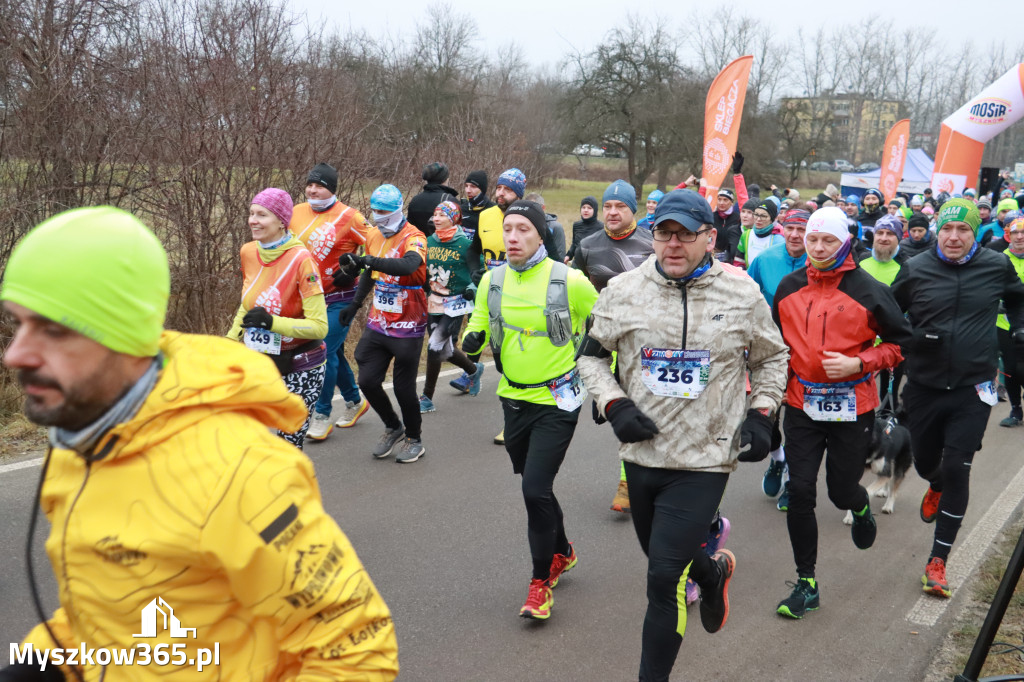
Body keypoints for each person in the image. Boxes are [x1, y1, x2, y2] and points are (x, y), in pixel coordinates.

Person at [0, 207, 398, 681]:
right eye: (17, 323)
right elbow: (112, 604)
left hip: (299, 363)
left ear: (123, 335)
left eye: (52, 330)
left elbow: (357, 651)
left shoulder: (239, 471)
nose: (15, 354)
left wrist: (271, 323)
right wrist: (43, 664)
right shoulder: (78, 441)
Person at [576, 189, 789, 681]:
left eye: (685, 234)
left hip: (705, 457)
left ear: (710, 237)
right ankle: (713, 571)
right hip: (643, 450)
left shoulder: (741, 294)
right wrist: (614, 402)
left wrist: (761, 413)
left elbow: (772, 357)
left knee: (662, 577)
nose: (672, 244)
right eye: (664, 232)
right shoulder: (623, 290)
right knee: (665, 556)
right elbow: (590, 355)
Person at [461, 200, 599, 620]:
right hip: (512, 396)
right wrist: (473, 335)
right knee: (534, 485)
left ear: (541, 235)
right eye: (508, 229)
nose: (513, 237)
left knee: (534, 489)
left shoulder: (569, 281)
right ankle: (563, 551)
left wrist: (605, 386)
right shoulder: (494, 278)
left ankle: (540, 584)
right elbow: (482, 315)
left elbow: (606, 325)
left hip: (557, 400)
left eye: (523, 229)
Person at [772, 206, 912, 619]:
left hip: (853, 407)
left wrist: (860, 364)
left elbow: (901, 344)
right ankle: (806, 582)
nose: (817, 247)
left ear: (845, 242)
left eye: (827, 240)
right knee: (799, 491)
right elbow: (774, 344)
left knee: (839, 492)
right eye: (812, 239)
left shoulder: (868, 290)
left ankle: (861, 506)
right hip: (801, 405)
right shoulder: (788, 287)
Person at [892, 199, 1024, 598]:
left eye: (962, 230)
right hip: (925, 386)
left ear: (974, 233)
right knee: (928, 460)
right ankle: (934, 483)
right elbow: (889, 314)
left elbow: (1018, 297)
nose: (953, 237)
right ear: (938, 231)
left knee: (958, 467)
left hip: (975, 387)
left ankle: (938, 562)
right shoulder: (915, 269)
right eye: (947, 230)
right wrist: (911, 339)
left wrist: (1019, 327)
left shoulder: (995, 265)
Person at [574, 179, 655, 515]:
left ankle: (631, 482)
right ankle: (634, 478)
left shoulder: (652, 244)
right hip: (605, 342)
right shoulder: (588, 245)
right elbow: (575, 292)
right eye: (608, 206)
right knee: (622, 411)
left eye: (620, 206)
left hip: (647, 341)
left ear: (632, 209)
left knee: (644, 408)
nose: (612, 212)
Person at [226, 188, 328, 449]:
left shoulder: (302, 260)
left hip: (300, 365)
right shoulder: (248, 252)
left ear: (282, 221)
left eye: (262, 215)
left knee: (287, 447)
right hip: (262, 359)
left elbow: (320, 326)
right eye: (251, 213)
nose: (253, 220)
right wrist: (228, 341)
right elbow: (248, 306)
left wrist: (271, 323)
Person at [338, 184, 429, 463]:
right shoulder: (374, 235)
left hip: (409, 322)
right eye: (375, 211)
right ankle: (393, 426)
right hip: (379, 320)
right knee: (366, 378)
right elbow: (370, 272)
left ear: (398, 210)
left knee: (403, 388)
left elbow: (408, 265)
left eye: (385, 212)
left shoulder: (414, 236)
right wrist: (354, 304)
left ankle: (414, 438)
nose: (378, 217)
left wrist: (367, 260)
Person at [291, 163, 372, 442]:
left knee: (323, 352)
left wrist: (355, 269)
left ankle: (322, 414)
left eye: (320, 185)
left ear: (332, 189)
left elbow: (378, 247)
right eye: (310, 184)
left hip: (340, 298)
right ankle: (354, 401)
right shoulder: (296, 211)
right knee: (333, 352)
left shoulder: (351, 217)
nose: (313, 190)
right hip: (309, 299)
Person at [748, 209, 810, 510]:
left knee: (800, 423)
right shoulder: (765, 260)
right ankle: (777, 459)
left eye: (802, 229)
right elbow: (745, 298)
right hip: (768, 354)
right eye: (791, 228)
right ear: (781, 229)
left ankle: (792, 482)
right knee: (766, 418)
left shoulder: (820, 262)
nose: (796, 235)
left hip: (807, 356)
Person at [420, 200, 486, 413]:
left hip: (457, 302)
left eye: (442, 215)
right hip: (435, 300)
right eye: (435, 214)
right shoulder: (429, 241)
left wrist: (471, 287)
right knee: (445, 349)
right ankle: (473, 370)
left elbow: (480, 270)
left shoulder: (466, 244)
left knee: (434, 346)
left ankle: (426, 398)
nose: (436, 219)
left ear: (454, 219)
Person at [859, 214, 910, 412]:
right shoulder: (861, 261)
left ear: (899, 238)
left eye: (890, 234)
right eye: (880, 233)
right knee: (861, 391)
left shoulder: (907, 266)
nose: (883, 238)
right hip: (862, 338)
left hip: (891, 341)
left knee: (887, 396)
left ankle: (887, 432)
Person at [997, 217, 1024, 426]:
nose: (1020, 237)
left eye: (1023, 233)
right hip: (1004, 324)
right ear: (1009, 235)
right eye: (1016, 233)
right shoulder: (999, 259)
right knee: (1012, 369)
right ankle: (1016, 409)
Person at [407, 161, 458, 237]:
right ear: (444, 179)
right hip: (441, 247)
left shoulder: (415, 200)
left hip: (418, 245)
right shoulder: (449, 201)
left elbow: (410, 229)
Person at [736, 199, 783, 269]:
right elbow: (739, 260)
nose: (758, 219)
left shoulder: (779, 240)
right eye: (756, 214)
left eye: (763, 216)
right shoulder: (746, 235)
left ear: (772, 219)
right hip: (747, 278)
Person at [524, 191, 566, 262]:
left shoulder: (555, 227)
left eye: (533, 208)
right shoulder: (524, 227)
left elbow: (560, 256)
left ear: (543, 208)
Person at [566, 196, 604, 263]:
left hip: (594, 263)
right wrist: (568, 256)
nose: (586, 210)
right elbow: (574, 244)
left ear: (595, 210)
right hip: (578, 262)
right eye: (583, 207)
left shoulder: (601, 227)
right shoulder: (576, 225)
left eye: (589, 208)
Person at [460, 169, 493, 239]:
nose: (468, 190)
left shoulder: (493, 210)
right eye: (466, 186)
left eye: (473, 186)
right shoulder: (461, 209)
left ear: (482, 189)